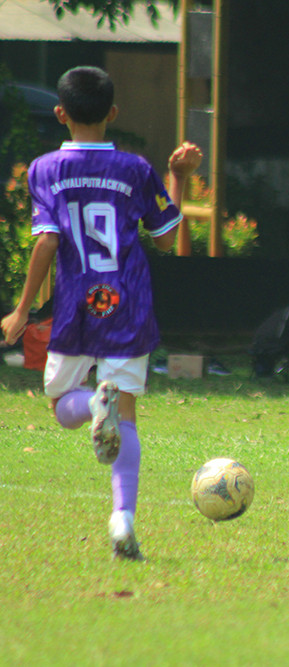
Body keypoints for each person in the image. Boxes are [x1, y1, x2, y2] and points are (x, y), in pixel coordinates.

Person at [1, 66, 203, 560]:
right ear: (113, 113)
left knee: (59, 405)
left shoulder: (45, 169)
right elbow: (167, 235)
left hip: (75, 307)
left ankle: (93, 405)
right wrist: (177, 177)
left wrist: (22, 309)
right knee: (127, 418)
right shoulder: (134, 169)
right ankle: (122, 520)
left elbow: (48, 240)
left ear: (60, 113)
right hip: (128, 303)